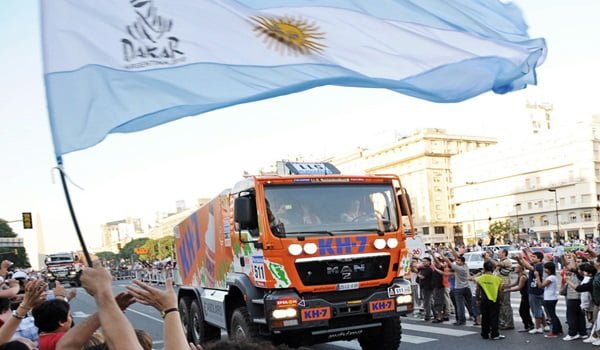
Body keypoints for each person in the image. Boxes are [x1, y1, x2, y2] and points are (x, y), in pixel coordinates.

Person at [475, 261, 504, 340]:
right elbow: (501, 291)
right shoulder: (498, 279)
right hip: (494, 300)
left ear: (484, 268)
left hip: (484, 300)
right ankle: (494, 334)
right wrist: (501, 300)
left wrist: (477, 299)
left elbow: (477, 290)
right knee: (494, 317)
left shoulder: (479, 278)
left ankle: (484, 334)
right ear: (493, 268)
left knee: (485, 317)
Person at [534, 261, 563, 338]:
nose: (544, 269)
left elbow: (541, 286)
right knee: (553, 315)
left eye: (545, 268)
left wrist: (537, 276)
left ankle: (555, 331)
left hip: (550, 298)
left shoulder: (551, 278)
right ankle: (558, 329)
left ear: (549, 269)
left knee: (551, 316)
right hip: (551, 297)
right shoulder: (552, 277)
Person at [503, 263, 534, 332]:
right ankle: (530, 325)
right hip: (525, 295)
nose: (515, 269)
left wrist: (508, 290)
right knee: (525, 311)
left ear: (520, 269)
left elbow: (519, 287)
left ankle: (528, 326)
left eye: (517, 267)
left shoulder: (523, 277)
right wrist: (506, 286)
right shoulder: (520, 275)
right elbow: (516, 283)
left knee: (522, 311)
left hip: (526, 295)